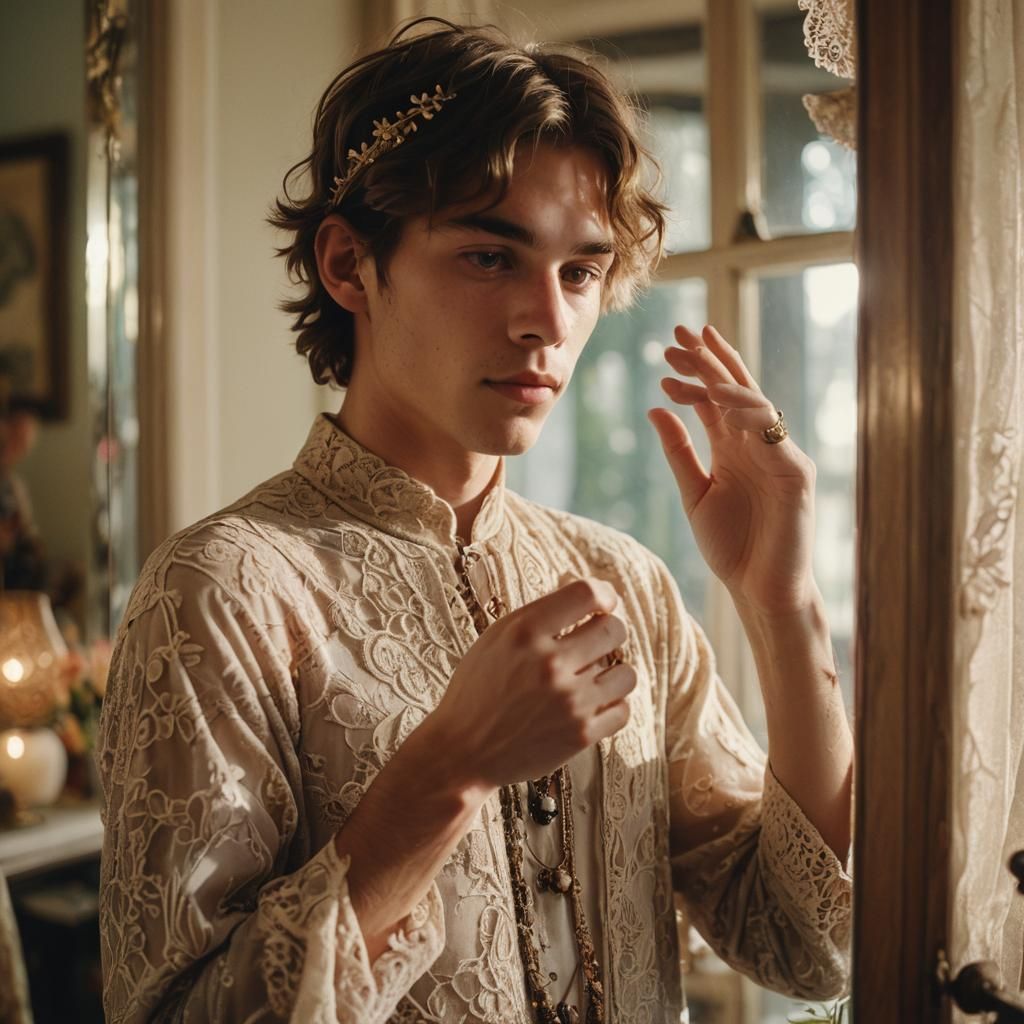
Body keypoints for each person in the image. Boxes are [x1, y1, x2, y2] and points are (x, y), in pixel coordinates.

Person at [97, 18, 853, 1024]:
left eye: (580, 270)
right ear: (347, 264)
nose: (546, 316)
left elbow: (807, 946)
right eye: (490, 257)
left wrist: (782, 605)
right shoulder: (222, 590)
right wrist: (447, 770)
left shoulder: (623, 583)